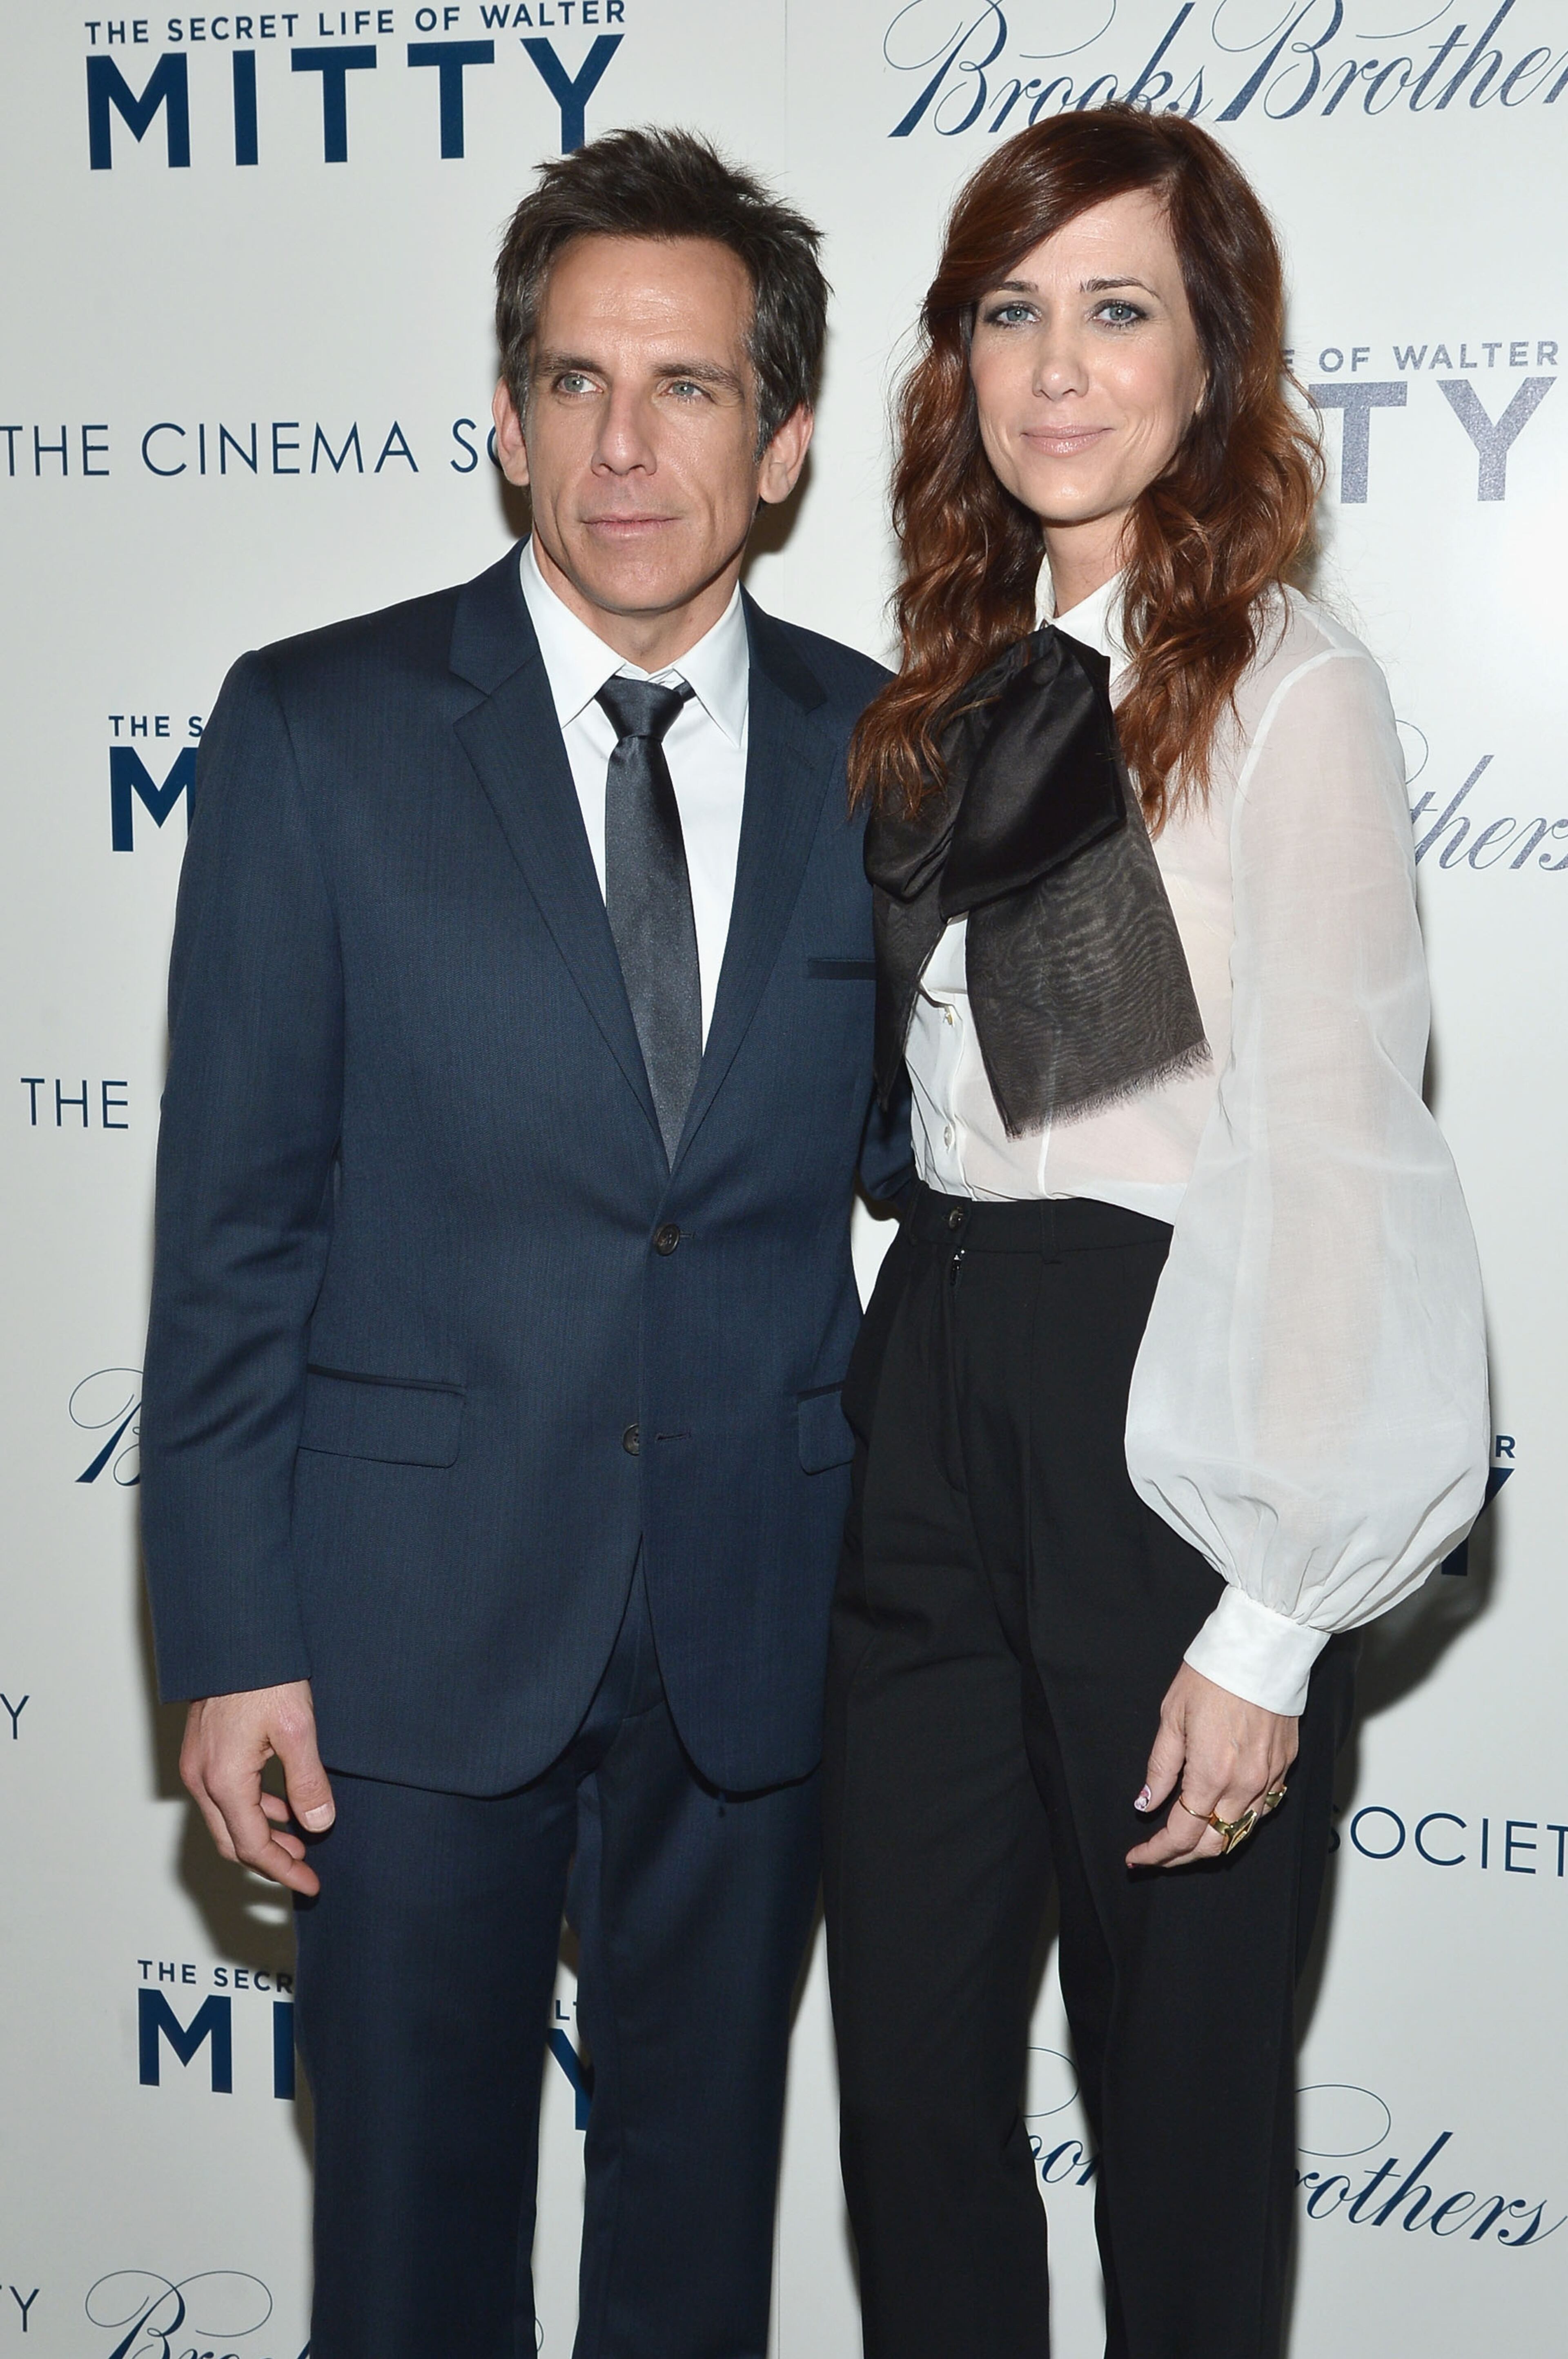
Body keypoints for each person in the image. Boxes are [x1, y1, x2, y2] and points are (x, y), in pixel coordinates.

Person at [139, 126, 908, 2359]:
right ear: (503, 419)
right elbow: (236, 1224)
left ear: (780, 443)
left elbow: (952, 1181)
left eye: (685, 389)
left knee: (695, 2256)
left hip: (762, 1624)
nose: (625, 442)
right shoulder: (316, 728)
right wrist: (228, 1629)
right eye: (574, 382)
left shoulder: (903, 754)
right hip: (403, 1634)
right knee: (407, 2249)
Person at [824, 105, 1488, 2359]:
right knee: (909, 2089)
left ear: (1214, 362)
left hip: (1175, 1402)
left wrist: (1274, 1614)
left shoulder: (1292, 692)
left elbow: (1338, 1154)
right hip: (929, 1384)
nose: (1057, 366)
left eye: (1118, 310)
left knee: (1180, 2116)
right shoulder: (936, 687)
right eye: (1012, 311)